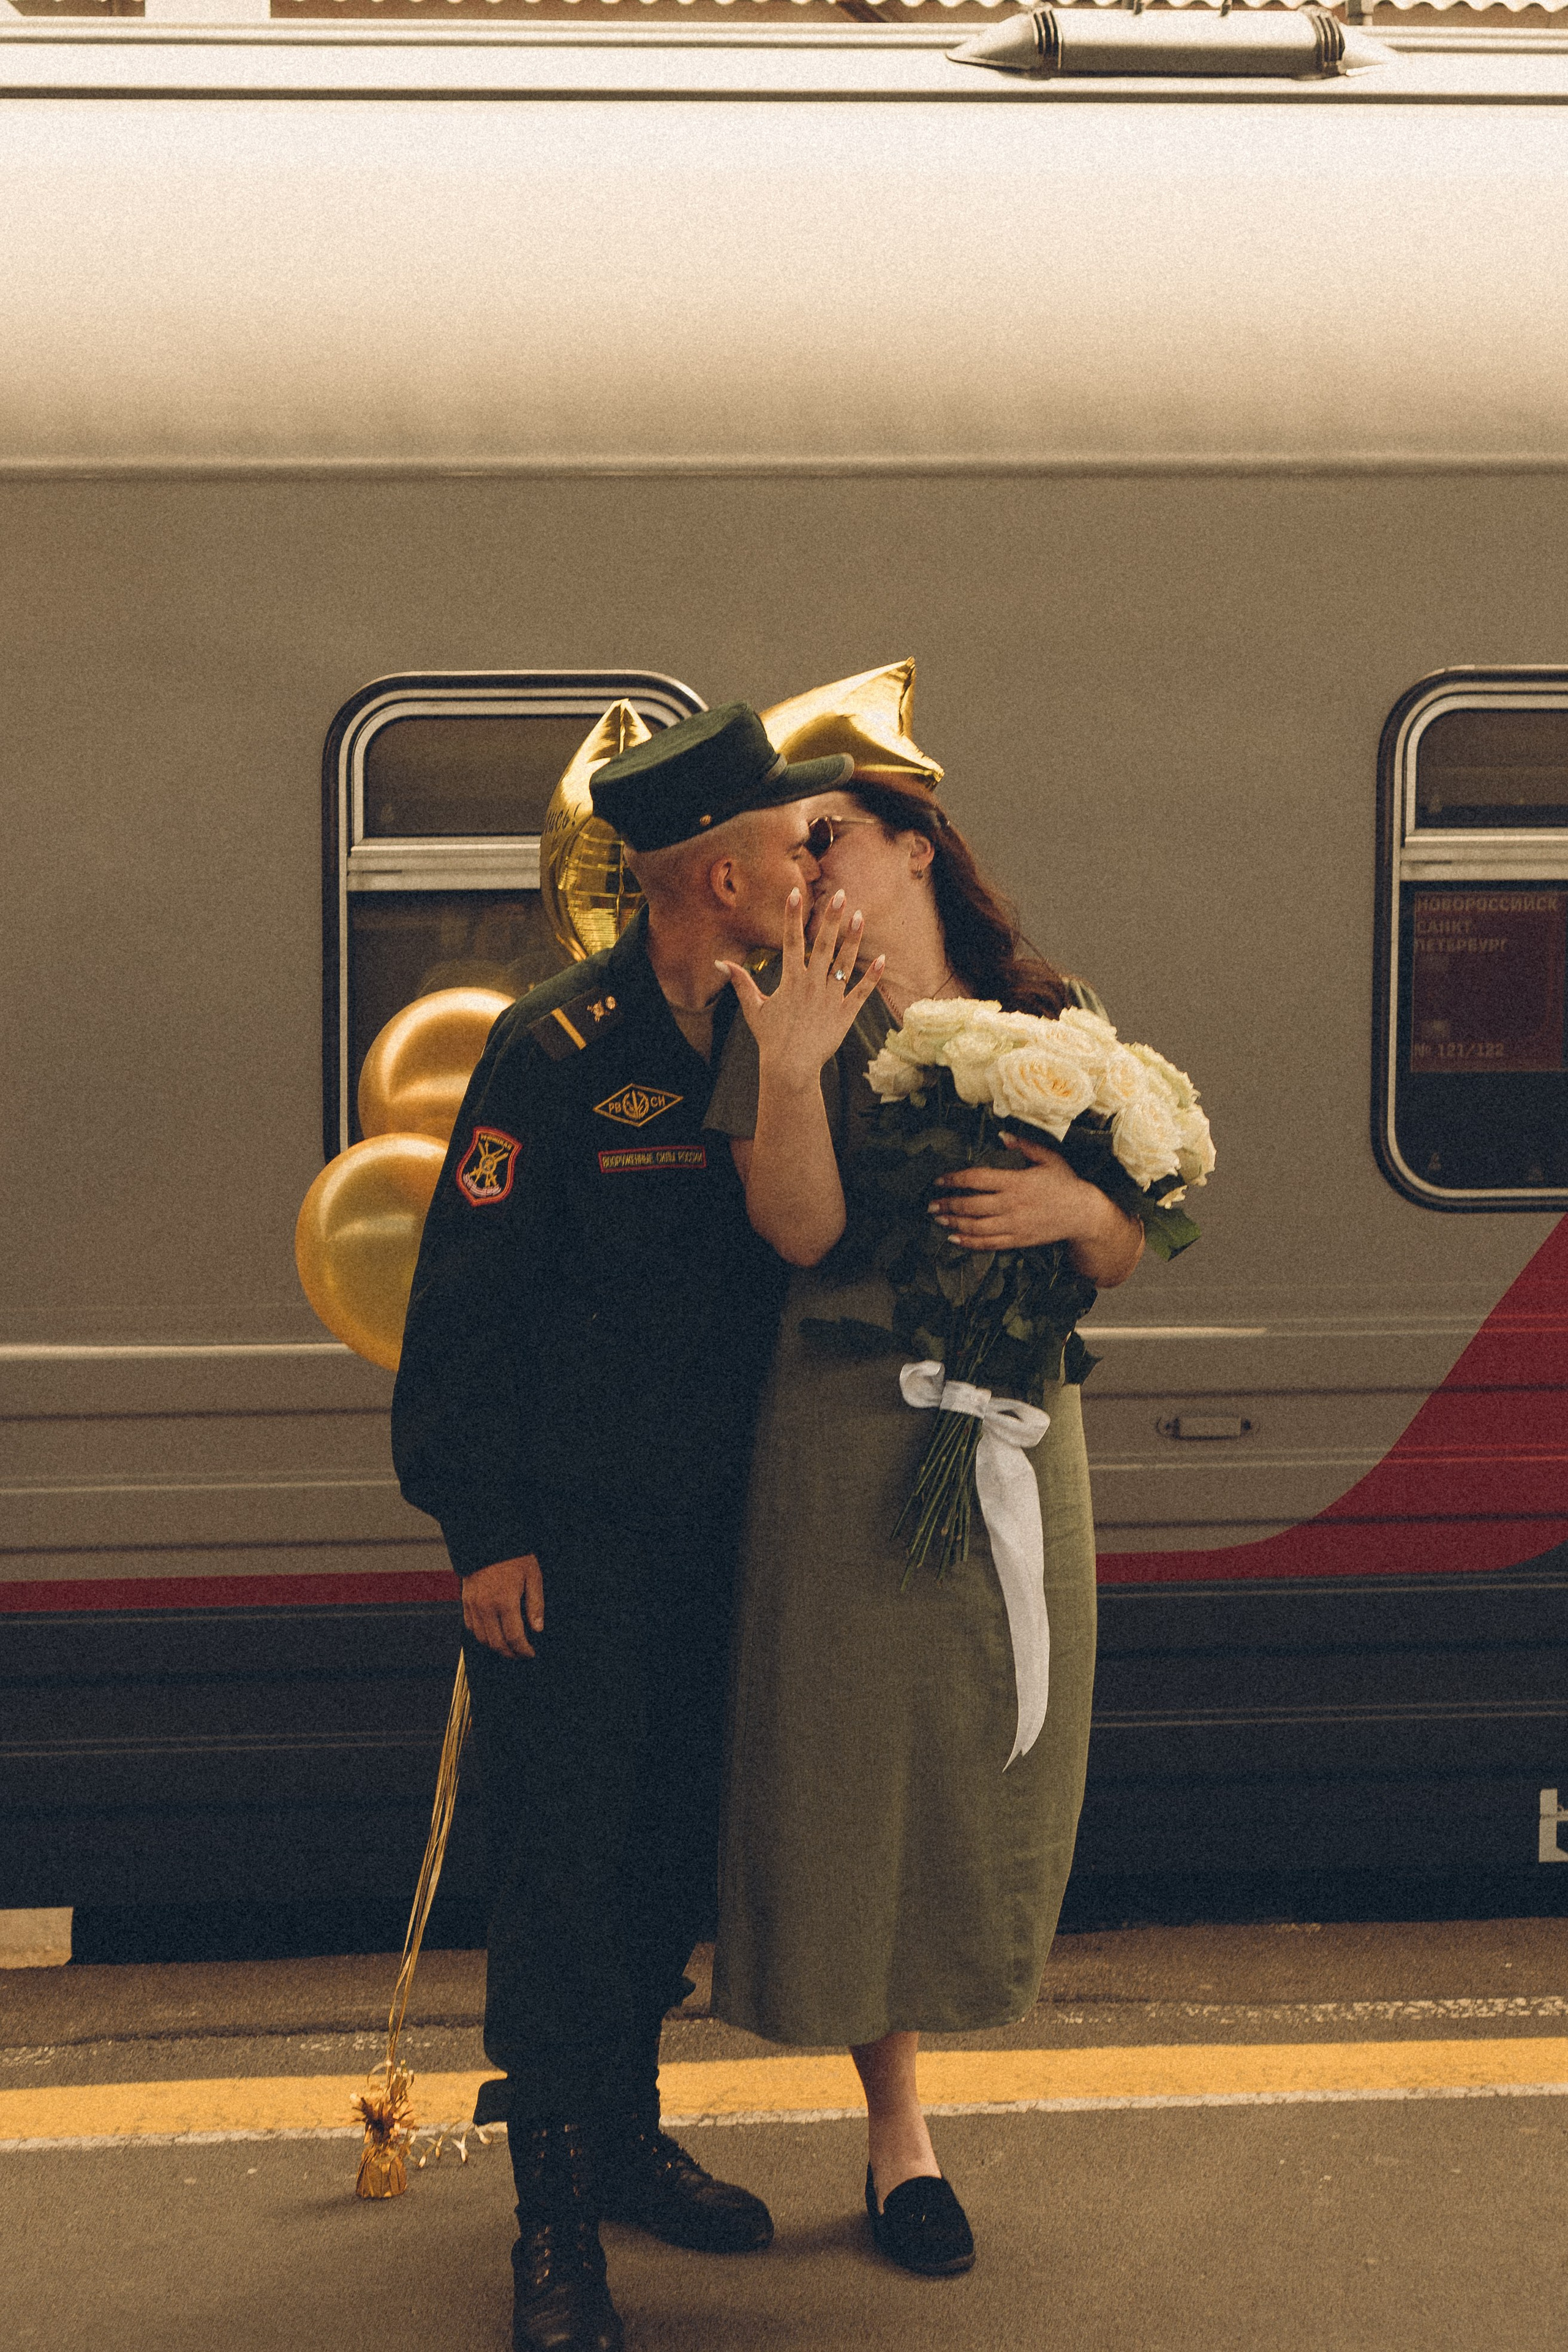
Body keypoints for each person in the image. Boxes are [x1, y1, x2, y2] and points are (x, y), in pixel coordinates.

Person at [391, 703, 854, 2352]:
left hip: (729, 1541)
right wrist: (485, 1532)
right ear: (717, 877)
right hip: (574, 1555)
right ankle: (551, 2227)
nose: (814, 870)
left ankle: (627, 2141)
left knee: (664, 1861)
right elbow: (464, 1310)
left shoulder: (782, 1033)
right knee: (564, 1881)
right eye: (795, 847)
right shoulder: (556, 1051)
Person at [707, 772, 1144, 2278]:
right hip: (847, 1434)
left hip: (1020, 1426)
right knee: (860, 1772)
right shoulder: (779, 1011)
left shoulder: (1048, 1013)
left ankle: (963, 2012)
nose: (804, 861)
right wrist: (791, 1071)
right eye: (790, 845)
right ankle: (900, 2136)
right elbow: (799, 1231)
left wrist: (1080, 1219)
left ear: (913, 844)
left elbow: (1123, 1240)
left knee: (986, 1753)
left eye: (828, 834)